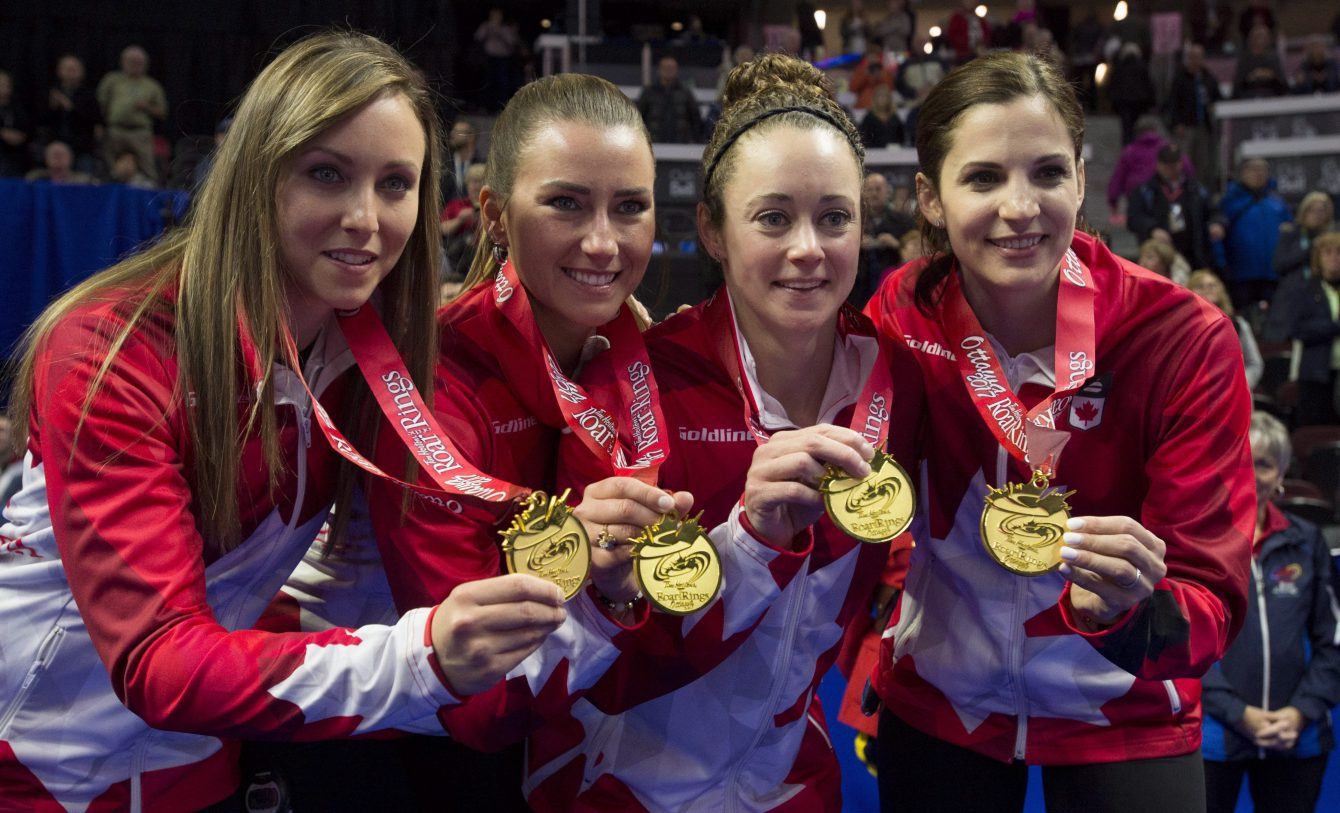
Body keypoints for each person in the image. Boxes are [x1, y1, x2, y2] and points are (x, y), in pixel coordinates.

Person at [0, 31, 568, 810]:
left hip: (201, 764)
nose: (365, 218)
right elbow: (157, 662)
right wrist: (419, 658)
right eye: (327, 174)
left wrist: (599, 335)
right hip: (34, 765)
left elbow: (487, 334)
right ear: (256, 176)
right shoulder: (115, 349)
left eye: (396, 184)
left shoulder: (365, 347)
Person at [528, 51, 925, 812]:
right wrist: (749, 540)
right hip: (617, 781)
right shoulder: (635, 383)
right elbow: (600, 656)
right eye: (773, 217)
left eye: (834, 217)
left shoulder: (897, 378)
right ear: (711, 228)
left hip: (790, 781)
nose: (808, 248)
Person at [864, 51, 1253, 812]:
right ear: (931, 199)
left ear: (1081, 177)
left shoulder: (1180, 335)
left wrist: (1133, 610)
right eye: (983, 178)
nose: (1021, 207)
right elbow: (868, 507)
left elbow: (1213, 590)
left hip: (1126, 706)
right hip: (943, 703)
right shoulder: (901, 314)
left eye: (1047, 173)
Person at [1202, 412, 1340, 813]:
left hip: (1296, 735)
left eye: (1263, 463)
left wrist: (1300, 712)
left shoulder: (1306, 540)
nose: (1250, 472)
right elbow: (1186, 641)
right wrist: (1237, 713)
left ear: (1281, 473)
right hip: (1216, 733)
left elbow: (1332, 641)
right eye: (1241, 459)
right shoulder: (1201, 540)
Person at [1279, 231, 1340, 427]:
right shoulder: (1306, 290)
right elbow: (1298, 329)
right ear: (1318, 258)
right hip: (1316, 373)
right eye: (1328, 253)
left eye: (1339, 252)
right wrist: (1334, 327)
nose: (1334, 258)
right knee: (1315, 428)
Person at [1127, 144, 1217, 271]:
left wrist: (1217, 223)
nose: (1170, 169)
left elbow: (1214, 212)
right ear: (1158, 164)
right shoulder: (1144, 191)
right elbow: (1133, 219)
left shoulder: (1196, 189)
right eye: (1166, 165)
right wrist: (1152, 229)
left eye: (1174, 165)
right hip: (1159, 255)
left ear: (1180, 164)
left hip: (1193, 253)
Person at [1219, 157, 1292, 311]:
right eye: (1252, 169)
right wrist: (1222, 265)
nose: (1257, 173)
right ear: (1242, 173)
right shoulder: (1230, 202)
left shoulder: (1278, 203)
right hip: (1240, 274)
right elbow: (1218, 236)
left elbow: (1290, 233)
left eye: (1262, 170)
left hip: (1273, 274)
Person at [96, 45, 167, 182]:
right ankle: (108, 187)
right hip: (115, 130)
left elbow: (162, 112)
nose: (135, 65)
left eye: (138, 63)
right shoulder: (111, 80)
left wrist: (147, 107)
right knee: (109, 164)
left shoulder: (152, 85)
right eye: (131, 62)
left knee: (148, 168)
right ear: (123, 62)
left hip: (140, 132)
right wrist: (99, 125)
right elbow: (99, 104)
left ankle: (151, 191)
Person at [1106, 117, 1193, 220]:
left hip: (1136, 196)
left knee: (1142, 223)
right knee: (1171, 221)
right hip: (1166, 194)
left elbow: (1118, 178)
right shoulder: (1167, 147)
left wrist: (1113, 201)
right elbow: (1187, 167)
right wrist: (1189, 185)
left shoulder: (1130, 151)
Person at [1188, 270, 1263, 390]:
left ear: (1220, 290)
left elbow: (1254, 364)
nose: (1207, 289)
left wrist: (1238, 388)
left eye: (1212, 285)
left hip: (1234, 395)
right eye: (1200, 286)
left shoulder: (1238, 324)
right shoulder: (1185, 327)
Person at [1167, 43, 1222, 192]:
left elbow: (1218, 97)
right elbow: (1172, 103)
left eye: (1198, 58)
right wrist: (1176, 123)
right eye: (1192, 58)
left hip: (1203, 126)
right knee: (1184, 161)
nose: (1195, 61)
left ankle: (1200, 192)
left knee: (1203, 163)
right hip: (1186, 127)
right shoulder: (1180, 78)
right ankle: (1183, 190)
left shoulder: (1207, 77)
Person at [39, 54, 101, 174]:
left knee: (83, 179)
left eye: (74, 69)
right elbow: (40, 121)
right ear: (59, 71)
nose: (70, 73)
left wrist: (70, 108)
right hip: (55, 146)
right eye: (67, 69)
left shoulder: (88, 95)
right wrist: (52, 108)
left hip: (81, 148)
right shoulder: (51, 93)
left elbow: (93, 121)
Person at [638, 55, 703, 143]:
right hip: (653, 144)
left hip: (681, 145)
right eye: (666, 67)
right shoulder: (649, 92)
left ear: (676, 70)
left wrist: (695, 141)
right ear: (659, 70)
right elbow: (639, 118)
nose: (669, 70)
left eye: (671, 68)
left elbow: (695, 119)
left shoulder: (685, 93)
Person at [1273, 190, 1335, 281]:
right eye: (1312, 210)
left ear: (1328, 214)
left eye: (1321, 211)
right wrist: (1311, 248)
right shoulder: (1290, 233)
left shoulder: (1332, 237)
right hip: (1295, 287)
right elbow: (1279, 265)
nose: (1317, 215)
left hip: (1324, 287)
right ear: (1304, 212)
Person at [1108, 42, 1156, 146]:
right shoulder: (1142, 66)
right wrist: (1151, 102)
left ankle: (1127, 148)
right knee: (1137, 126)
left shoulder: (1119, 67)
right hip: (1139, 101)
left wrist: (1112, 102)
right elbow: (1148, 84)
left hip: (1123, 102)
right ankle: (1136, 146)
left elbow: (1113, 84)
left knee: (1126, 127)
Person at [1233, 25, 1287, 100]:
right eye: (1257, 37)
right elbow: (1236, 87)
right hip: (1249, 97)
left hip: (1272, 96)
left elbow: (1283, 85)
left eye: (1264, 37)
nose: (1261, 40)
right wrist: (1252, 77)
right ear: (1251, 39)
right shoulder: (1245, 60)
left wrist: (1270, 75)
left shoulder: (1274, 59)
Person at [24, 140, 95, 185]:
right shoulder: (34, 178)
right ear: (46, 158)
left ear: (70, 158)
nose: (58, 158)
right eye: (55, 155)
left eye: (62, 155)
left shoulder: (85, 181)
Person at [0, 70, 30, 178]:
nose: (3, 87)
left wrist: (19, 136)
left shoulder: (17, 107)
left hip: (15, 153)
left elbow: (26, 131)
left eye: (5, 84)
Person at [849, 42, 895, 110]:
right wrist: (865, 74)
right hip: (864, 104)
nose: (873, 59)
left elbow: (890, 89)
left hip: (882, 104)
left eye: (876, 56)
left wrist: (880, 75)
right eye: (871, 55)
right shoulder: (861, 70)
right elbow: (852, 88)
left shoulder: (884, 71)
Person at [859, 83, 905, 148]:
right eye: (880, 96)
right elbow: (864, 137)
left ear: (889, 99)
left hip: (893, 152)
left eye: (885, 96)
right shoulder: (869, 118)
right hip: (873, 152)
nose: (882, 98)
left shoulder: (894, 117)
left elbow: (901, 137)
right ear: (875, 98)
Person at [445, 118, 481, 200]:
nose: (452, 134)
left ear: (471, 137)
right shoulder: (444, 164)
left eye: (458, 132)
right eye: (453, 131)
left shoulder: (481, 165)